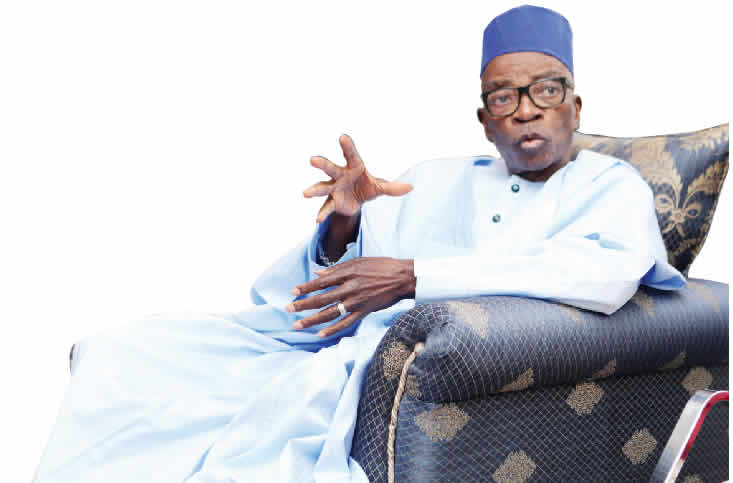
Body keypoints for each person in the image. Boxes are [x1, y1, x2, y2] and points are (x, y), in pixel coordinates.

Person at [33, 5, 685, 482]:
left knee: (275, 422)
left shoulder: (611, 185)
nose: (525, 108)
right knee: (129, 354)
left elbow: (605, 276)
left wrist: (414, 276)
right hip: (331, 340)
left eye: (545, 90)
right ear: (484, 120)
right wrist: (343, 225)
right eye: (502, 96)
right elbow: (324, 289)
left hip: (396, 358)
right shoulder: (431, 177)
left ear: (575, 105)